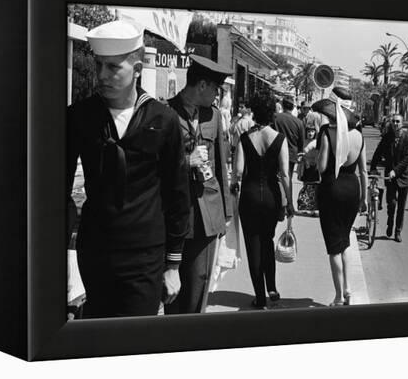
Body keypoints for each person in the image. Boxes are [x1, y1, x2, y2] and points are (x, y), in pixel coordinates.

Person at [66, 19, 190, 318]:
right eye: (99, 66)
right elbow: (57, 188)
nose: (102, 75)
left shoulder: (164, 119)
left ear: (136, 70)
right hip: (96, 252)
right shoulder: (79, 117)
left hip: (145, 256)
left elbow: (177, 196)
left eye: (113, 67)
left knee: (137, 341)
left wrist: (173, 265)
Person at [164, 54, 233, 314]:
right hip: (176, 215)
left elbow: (220, 166)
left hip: (207, 214)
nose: (217, 95)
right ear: (202, 85)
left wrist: (226, 214)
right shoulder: (166, 113)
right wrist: (185, 161)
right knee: (172, 289)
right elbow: (156, 165)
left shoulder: (213, 116)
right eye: (215, 88)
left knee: (199, 284)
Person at [231, 90, 292, 310]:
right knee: (267, 240)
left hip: (249, 195)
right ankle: (272, 288)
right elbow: (284, 174)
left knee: (253, 244)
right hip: (271, 196)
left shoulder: (245, 139)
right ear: (272, 114)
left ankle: (259, 296)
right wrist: (289, 202)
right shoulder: (279, 139)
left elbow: (237, 172)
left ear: (254, 113)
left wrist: (232, 187)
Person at [312, 87, 368, 306]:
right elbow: (363, 171)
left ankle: (338, 296)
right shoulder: (359, 136)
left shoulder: (326, 132)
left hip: (331, 191)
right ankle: (348, 289)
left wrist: (313, 159)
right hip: (352, 190)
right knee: (344, 242)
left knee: (334, 246)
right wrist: (363, 198)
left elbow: (323, 166)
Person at [369, 113, 408, 242]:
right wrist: (373, 167)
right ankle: (390, 222)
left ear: (402, 123)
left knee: (401, 206)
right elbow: (378, 153)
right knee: (392, 203)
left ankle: (398, 231)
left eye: (397, 122)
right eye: (393, 121)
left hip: (403, 178)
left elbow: (407, 159)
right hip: (390, 178)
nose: (395, 124)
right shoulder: (387, 138)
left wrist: (396, 171)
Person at [273, 95, 305, 216]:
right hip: (291, 155)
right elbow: (301, 143)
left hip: (275, 153)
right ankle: (287, 204)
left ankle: (278, 203)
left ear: (282, 104)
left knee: (275, 179)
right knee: (287, 179)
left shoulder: (275, 117)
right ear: (293, 107)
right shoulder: (298, 122)